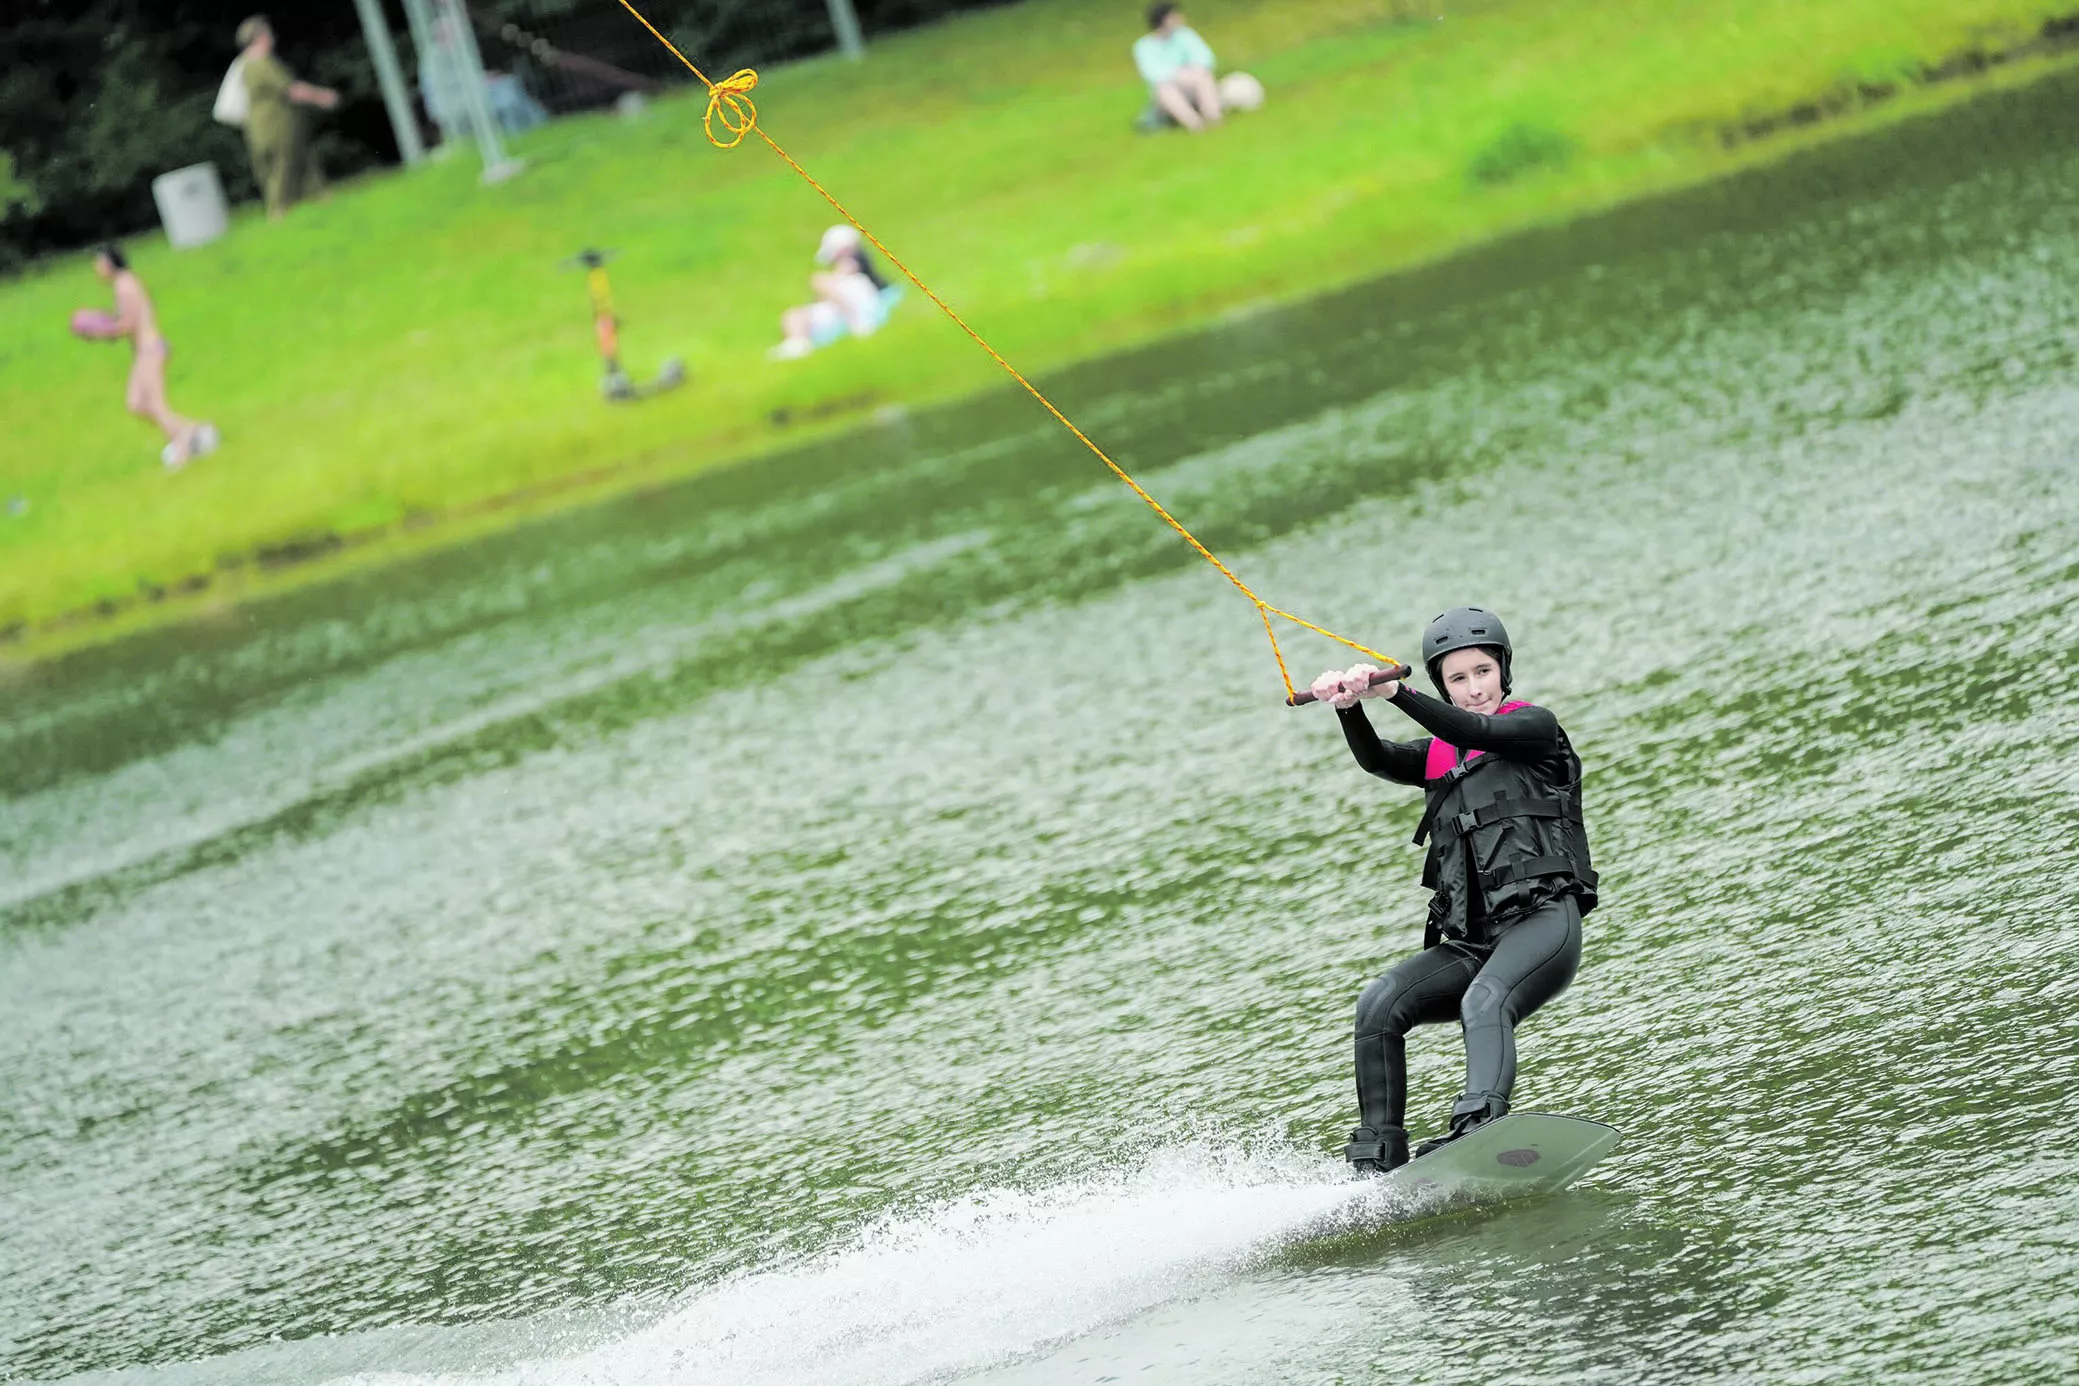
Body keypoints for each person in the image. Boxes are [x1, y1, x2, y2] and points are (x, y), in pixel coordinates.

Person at [1309, 607, 1599, 1173]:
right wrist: (1349, 710)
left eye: (1482, 672)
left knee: (1483, 1002)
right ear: (1442, 685)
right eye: (1457, 680)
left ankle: (1480, 1124)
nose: (1473, 691)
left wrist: (1394, 692)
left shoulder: (1535, 729)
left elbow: (1477, 729)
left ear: (1503, 670)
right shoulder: (1440, 756)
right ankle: (1377, 1155)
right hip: (1472, 940)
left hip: (1543, 923)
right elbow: (1379, 759)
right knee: (1380, 1004)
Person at [84, 245, 218, 469]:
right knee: (136, 403)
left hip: (150, 351)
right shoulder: (126, 282)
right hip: (144, 352)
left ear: (108, 264)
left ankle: (182, 450)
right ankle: (193, 430)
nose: (96, 270)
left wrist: (97, 331)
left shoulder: (124, 285)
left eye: (98, 265)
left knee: (155, 403)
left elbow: (128, 324)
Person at [235, 15, 340, 220]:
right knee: (284, 169)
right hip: (277, 126)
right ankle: (279, 213)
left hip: (260, 129)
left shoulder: (244, 65)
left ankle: (322, 199)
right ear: (261, 37)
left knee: (298, 162)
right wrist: (322, 97)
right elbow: (292, 90)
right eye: (268, 32)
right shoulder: (262, 63)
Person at [769, 224, 901, 361]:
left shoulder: (852, 268)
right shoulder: (858, 270)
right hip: (839, 310)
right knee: (793, 314)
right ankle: (798, 343)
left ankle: (800, 343)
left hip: (850, 309)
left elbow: (840, 275)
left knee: (806, 299)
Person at [1132, 3, 1221, 133]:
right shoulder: (1144, 46)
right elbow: (1152, 74)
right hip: (1168, 91)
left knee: (1203, 77)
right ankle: (1195, 125)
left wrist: (1192, 73)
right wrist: (1180, 75)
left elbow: (1205, 58)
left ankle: (1214, 118)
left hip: (1193, 83)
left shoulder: (1186, 35)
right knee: (1164, 88)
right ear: (1163, 20)